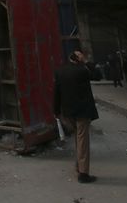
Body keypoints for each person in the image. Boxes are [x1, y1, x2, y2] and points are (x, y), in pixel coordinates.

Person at [54, 49, 99, 184]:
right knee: (83, 141)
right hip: (82, 112)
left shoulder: (60, 71)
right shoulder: (83, 71)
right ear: (79, 58)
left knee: (78, 139)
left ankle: (79, 167)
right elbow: (97, 75)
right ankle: (83, 174)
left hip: (68, 112)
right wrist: (85, 62)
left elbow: (57, 92)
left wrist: (56, 110)